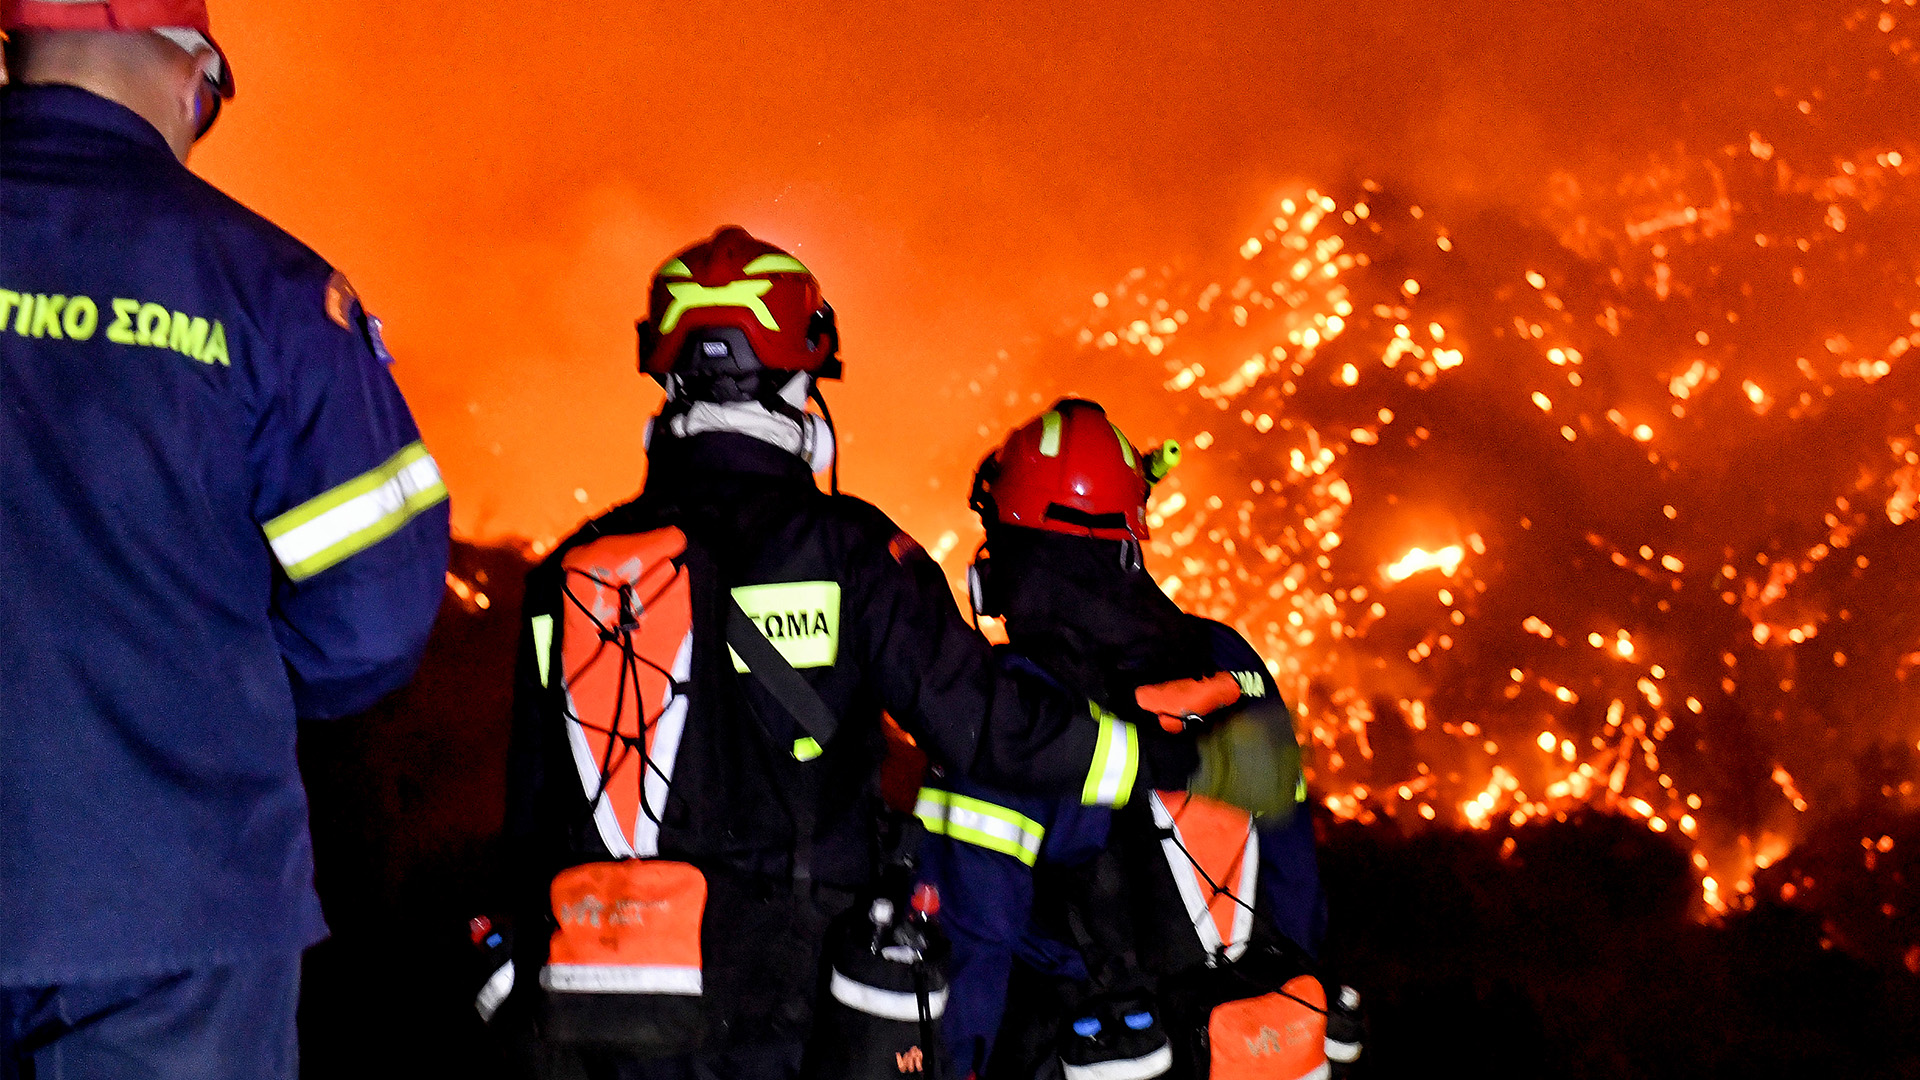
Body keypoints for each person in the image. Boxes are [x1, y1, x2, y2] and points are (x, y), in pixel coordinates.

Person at [499, 228, 1237, 1080]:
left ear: (666, 378)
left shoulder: (568, 571)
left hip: (588, 1011)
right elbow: (992, 729)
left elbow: (528, 821)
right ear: (803, 378)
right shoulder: (852, 553)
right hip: (788, 1010)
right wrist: (1171, 755)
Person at [0, 4, 452, 1078]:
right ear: (189, 69)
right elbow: (375, 619)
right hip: (177, 905)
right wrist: (194, 683)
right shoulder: (275, 292)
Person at [916, 399, 1331, 1080]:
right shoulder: (1230, 662)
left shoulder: (1015, 706)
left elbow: (971, 936)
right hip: (1248, 1049)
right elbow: (1295, 881)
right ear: (1129, 539)